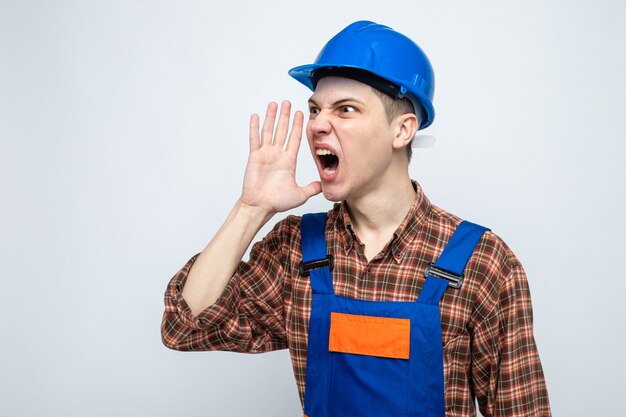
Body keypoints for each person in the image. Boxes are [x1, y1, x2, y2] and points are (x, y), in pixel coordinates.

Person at [161, 21, 551, 417]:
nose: (317, 124)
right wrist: (251, 208)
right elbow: (185, 326)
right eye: (315, 109)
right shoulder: (296, 249)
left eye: (345, 109)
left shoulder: (482, 262)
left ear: (402, 130)